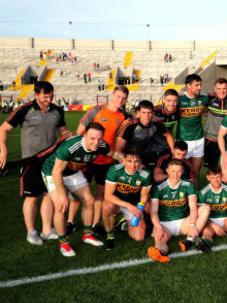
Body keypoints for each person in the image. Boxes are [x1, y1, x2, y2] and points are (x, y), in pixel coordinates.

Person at [0, 81, 69, 245]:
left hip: (51, 161)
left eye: (51, 96)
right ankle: (31, 232)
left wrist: (68, 135)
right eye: (45, 96)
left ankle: (46, 230)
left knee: (47, 195)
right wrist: (3, 148)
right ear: (36, 95)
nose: (49, 99)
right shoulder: (25, 109)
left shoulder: (57, 110)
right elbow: (3, 128)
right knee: (31, 198)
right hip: (30, 160)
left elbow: (63, 132)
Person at [41, 122, 123, 257]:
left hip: (73, 172)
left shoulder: (101, 145)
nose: (96, 142)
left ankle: (87, 235)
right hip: (52, 172)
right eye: (92, 138)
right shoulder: (71, 146)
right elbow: (57, 172)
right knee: (61, 206)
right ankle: (64, 244)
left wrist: (131, 162)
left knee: (90, 201)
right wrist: (62, 195)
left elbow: (114, 154)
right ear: (84, 135)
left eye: (100, 138)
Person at [74, 85, 130, 237]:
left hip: (106, 160)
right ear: (112, 95)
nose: (121, 100)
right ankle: (70, 223)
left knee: (100, 193)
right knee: (77, 192)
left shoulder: (124, 116)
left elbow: (136, 120)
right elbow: (79, 132)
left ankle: (95, 224)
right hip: (87, 159)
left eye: (124, 98)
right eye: (118, 97)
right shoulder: (96, 110)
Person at [148, 160, 208, 263]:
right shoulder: (158, 187)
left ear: (182, 172)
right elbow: (153, 212)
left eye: (179, 171)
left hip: (183, 223)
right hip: (164, 224)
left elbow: (193, 207)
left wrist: (192, 224)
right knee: (159, 241)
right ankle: (161, 253)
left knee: (205, 208)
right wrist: (158, 227)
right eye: (173, 171)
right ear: (167, 171)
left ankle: (189, 239)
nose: (175, 175)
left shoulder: (188, 185)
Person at [102, 146, 152, 250]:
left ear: (140, 161)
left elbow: (144, 196)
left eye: (136, 161)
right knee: (106, 207)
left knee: (139, 237)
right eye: (129, 161)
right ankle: (110, 237)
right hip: (117, 204)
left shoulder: (145, 174)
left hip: (134, 204)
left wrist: (139, 209)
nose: (133, 165)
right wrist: (127, 206)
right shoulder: (114, 170)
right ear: (124, 160)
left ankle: (126, 224)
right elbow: (108, 195)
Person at [116, 100, 174, 170]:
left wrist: (173, 151)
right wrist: (126, 164)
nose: (146, 116)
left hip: (144, 154)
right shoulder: (130, 125)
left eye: (149, 113)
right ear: (138, 113)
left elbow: (168, 135)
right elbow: (118, 148)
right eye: (143, 112)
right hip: (129, 156)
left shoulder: (157, 122)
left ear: (153, 113)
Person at [177, 74, 209, 188]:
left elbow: (208, 110)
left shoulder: (204, 98)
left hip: (198, 140)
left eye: (200, 84)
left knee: (195, 173)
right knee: (181, 172)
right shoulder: (179, 99)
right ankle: (182, 197)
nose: (199, 87)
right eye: (197, 85)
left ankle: (194, 196)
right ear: (188, 85)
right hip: (183, 140)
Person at [204, 78, 227, 170]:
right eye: (219, 88)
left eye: (224, 88)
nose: (222, 91)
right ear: (215, 88)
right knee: (211, 168)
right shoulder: (209, 97)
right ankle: (211, 185)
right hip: (212, 138)